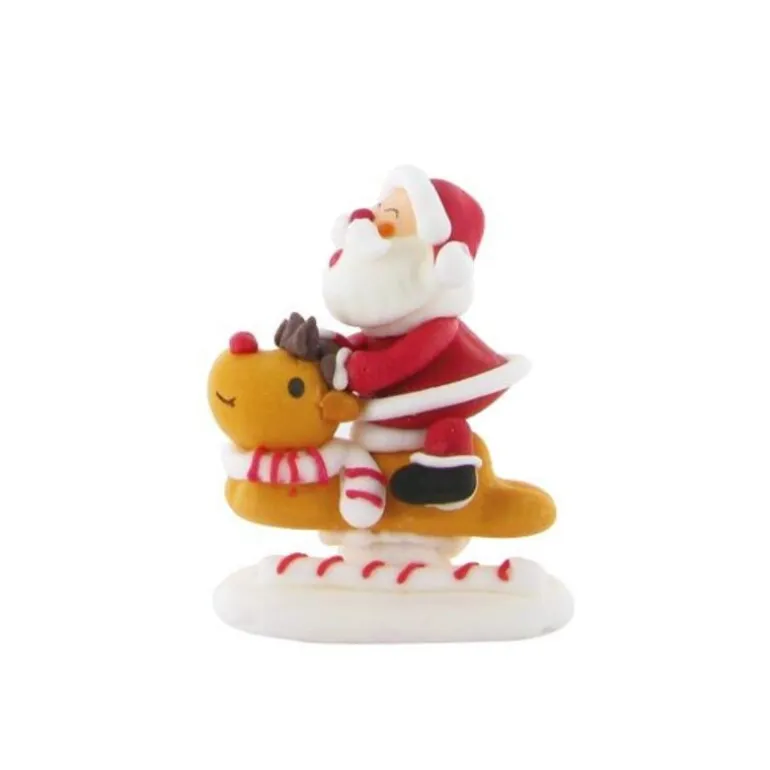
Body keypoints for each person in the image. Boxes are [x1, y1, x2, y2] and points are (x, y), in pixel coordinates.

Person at [321, 165, 523, 509]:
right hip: (385, 424)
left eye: (393, 216)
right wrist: (333, 348)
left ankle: (450, 479)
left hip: (438, 395)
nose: (372, 220)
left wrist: (352, 369)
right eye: (381, 208)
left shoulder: (436, 325)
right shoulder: (388, 318)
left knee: (448, 428)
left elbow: (393, 365)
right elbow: (366, 344)